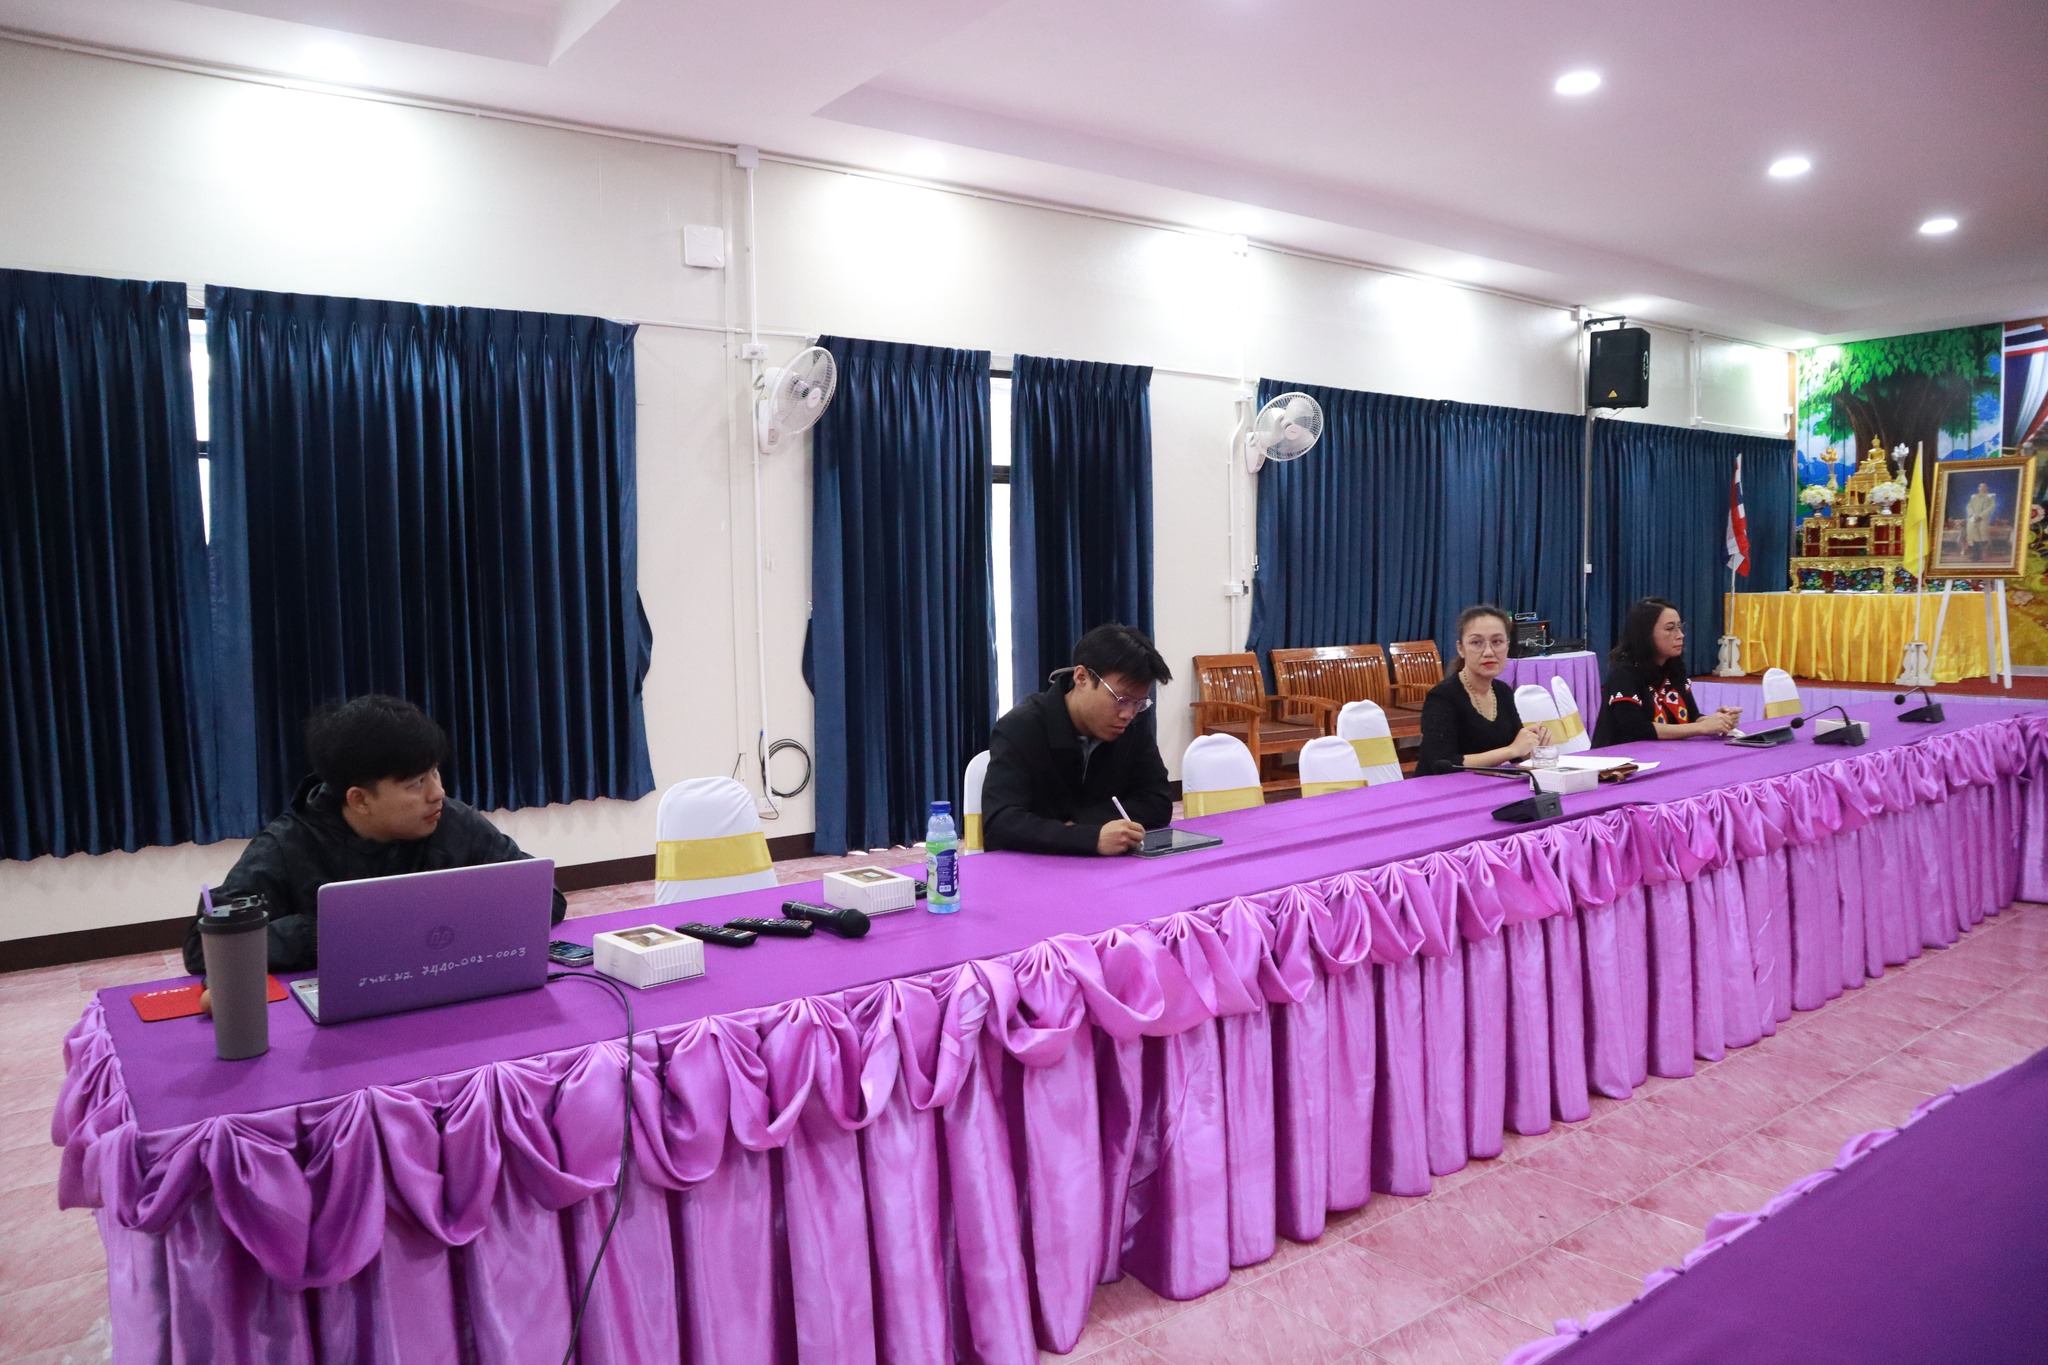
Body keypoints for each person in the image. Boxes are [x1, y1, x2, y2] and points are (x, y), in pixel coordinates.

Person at [182, 695, 566, 975]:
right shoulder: (286, 846)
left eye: (434, 772)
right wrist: (334, 932)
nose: (438, 792)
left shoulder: (450, 820)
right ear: (360, 800)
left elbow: (546, 898)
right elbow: (204, 949)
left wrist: (445, 915)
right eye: (416, 783)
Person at [982, 623, 1173, 856]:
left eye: (1139, 703)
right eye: (1121, 699)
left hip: (1112, 867)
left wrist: (1082, 823)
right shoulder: (1021, 727)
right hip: (1037, 867)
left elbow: (1158, 802)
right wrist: (1089, 837)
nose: (1128, 714)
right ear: (1082, 677)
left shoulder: (1133, 725)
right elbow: (1000, 824)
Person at [1417, 604, 1553, 774]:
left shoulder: (1503, 691)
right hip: (1441, 787)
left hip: (1487, 783)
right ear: (1461, 649)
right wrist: (1512, 750)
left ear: (1507, 646)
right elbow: (1441, 763)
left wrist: (1534, 745)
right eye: (1476, 643)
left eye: (1497, 642)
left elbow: (1516, 752)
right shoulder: (1442, 697)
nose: (1488, 652)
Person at [1591, 598, 1742, 746]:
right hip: (1620, 758)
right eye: (1670, 629)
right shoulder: (1624, 673)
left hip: (1662, 754)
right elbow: (1635, 728)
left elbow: (1692, 717)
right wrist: (1701, 727)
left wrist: (1718, 721)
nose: (1680, 635)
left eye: (1679, 627)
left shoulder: (1674, 668)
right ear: (1646, 635)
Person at [1965, 481, 1997, 561]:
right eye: (1980, 486)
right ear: (1978, 488)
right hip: (1973, 518)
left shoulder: (1990, 497)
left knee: (1982, 536)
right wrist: (1972, 514)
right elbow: (1969, 506)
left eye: (1984, 486)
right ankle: (1975, 554)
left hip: (1983, 519)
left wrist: (1980, 515)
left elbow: (1991, 508)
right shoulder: (1974, 497)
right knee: (1972, 535)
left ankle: (1980, 555)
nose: (1982, 488)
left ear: (1987, 488)